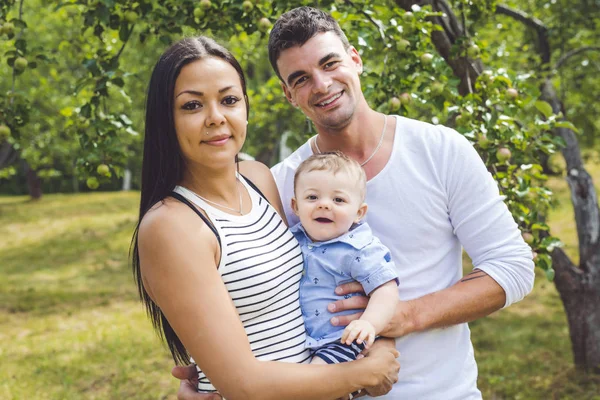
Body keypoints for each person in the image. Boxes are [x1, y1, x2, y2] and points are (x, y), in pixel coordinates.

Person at [174, 6, 535, 400]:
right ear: (288, 94)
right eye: (301, 79)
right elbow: (255, 293)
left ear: (355, 59)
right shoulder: (282, 185)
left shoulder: (439, 148)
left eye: (330, 63)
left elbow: (512, 267)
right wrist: (213, 372)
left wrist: (400, 316)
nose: (322, 84)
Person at [131, 35, 400, 399]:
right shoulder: (171, 226)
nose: (216, 118)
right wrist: (362, 372)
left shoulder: (258, 178)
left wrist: (376, 341)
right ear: (166, 119)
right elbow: (243, 384)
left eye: (229, 100)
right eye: (192, 106)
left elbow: (310, 283)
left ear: (245, 106)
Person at [290, 152, 399, 365]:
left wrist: (369, 324)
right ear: (295, 207)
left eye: (338, 199)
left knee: (315, 379)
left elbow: (386, 289)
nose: (324, 205)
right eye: (312, 197)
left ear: (359, 212)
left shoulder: (359, 248)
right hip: (303, 342)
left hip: (343, 339)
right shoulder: (291, 239)